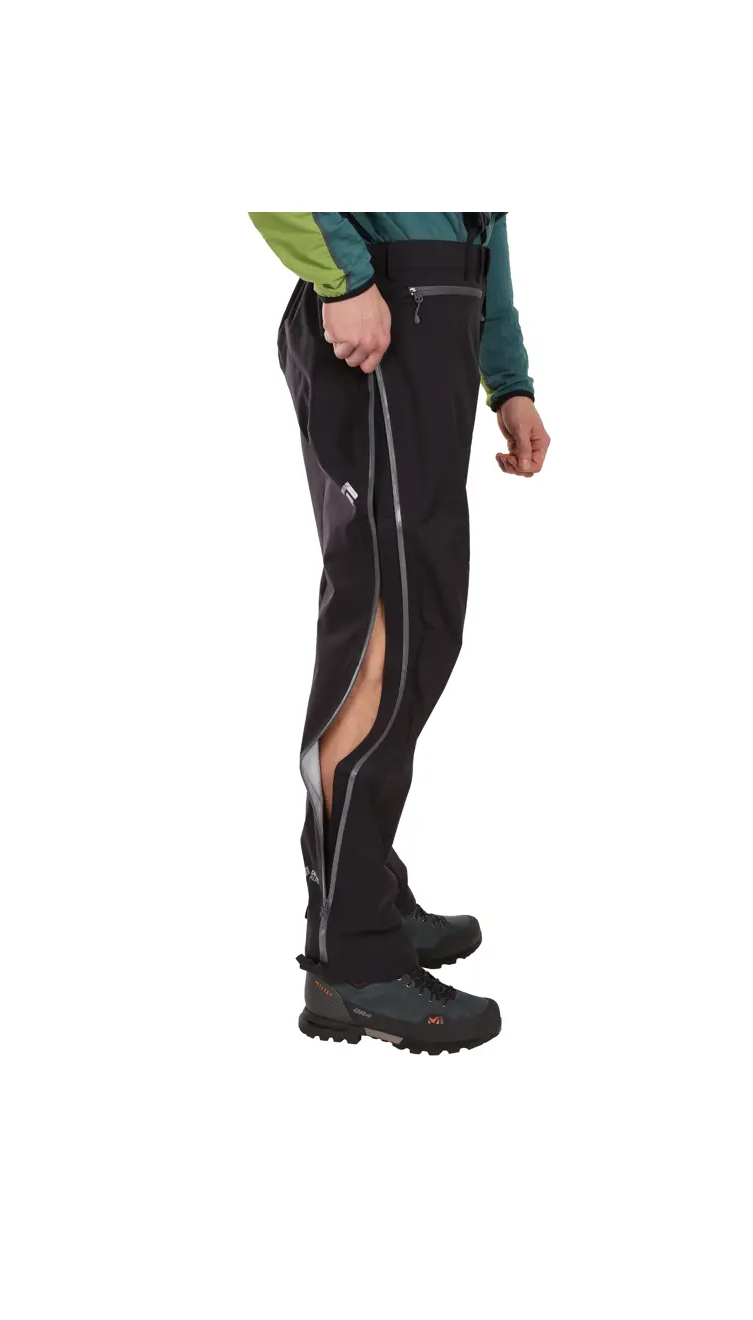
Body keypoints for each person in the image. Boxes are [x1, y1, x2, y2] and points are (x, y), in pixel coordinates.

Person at [249, 213, 550, 1053]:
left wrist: (509, 378)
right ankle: (352, 959)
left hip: (438, 311)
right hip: (378, 310)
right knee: (383, 631)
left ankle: (365, 892)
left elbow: (485, 216)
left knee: (424, 625)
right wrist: (346, 279)